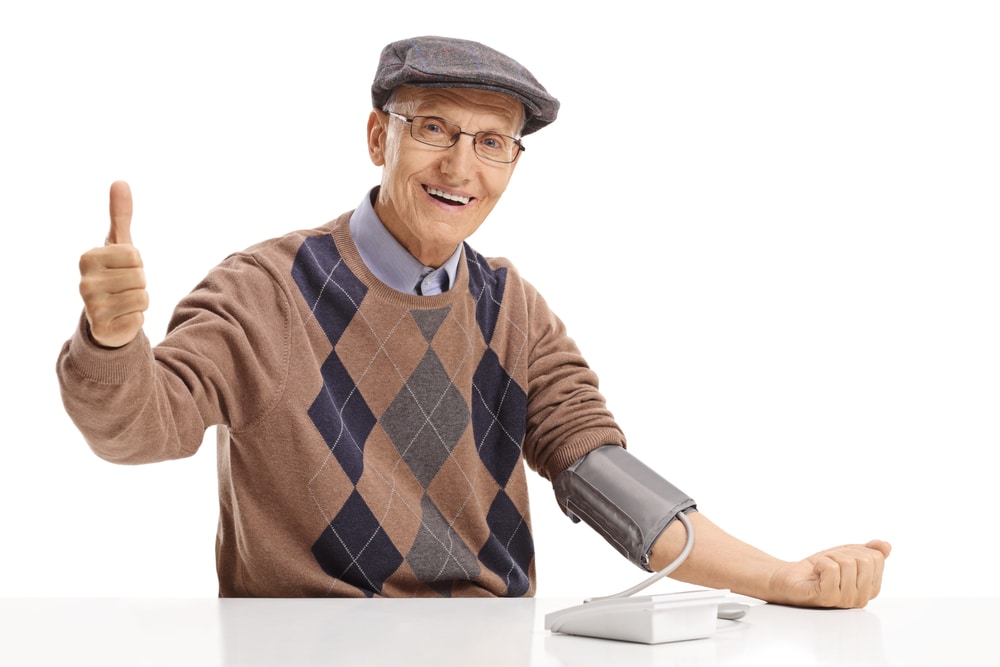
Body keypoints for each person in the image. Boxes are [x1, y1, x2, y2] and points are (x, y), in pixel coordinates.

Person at [58, 35, 889, 605]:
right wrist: (114, 340)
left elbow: (605, 479)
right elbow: (141, 426)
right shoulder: (265, 289)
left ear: (514, 163)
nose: (462, 167)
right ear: (379, 135)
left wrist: (779, 577)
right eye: (434, 131)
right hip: (307, 646)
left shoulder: (511, 308)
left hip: (490, 641)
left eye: (493, 143)